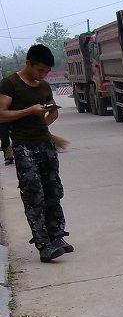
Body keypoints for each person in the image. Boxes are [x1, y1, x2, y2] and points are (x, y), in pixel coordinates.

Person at [0, 45, 72, 262]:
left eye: (46, 72)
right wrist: (29, 111)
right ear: (28, 63)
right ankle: (43, 245)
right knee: (34, 195)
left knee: (53, 191)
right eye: (40, 70)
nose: (42, 75)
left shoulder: (44, 87)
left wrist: (48, 116)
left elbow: (51, 115)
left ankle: (57, 237)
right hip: (24, 147)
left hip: (46, 144)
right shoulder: (10, 84)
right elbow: (1, 114)